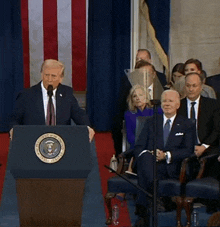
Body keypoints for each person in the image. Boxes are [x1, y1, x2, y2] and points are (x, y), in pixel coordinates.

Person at [133, 90, 195, 226]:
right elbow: (138, 147)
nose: (167, 104)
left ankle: (143, 211)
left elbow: (189, 151)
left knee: (146, 173)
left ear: (178, 104)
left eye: (170, 101)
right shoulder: (151, 122)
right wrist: (150, 153)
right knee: (145, 158)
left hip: (172, 167)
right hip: (151, 165)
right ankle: (156, 198)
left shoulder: (187, 124)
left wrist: (167, 155)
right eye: (165, 101)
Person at [10, 59, 95, 142]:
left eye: (53, 76)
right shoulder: (26, 95)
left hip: (61, 140)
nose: (49, 79)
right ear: (41, 74)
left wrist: (87, 127)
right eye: (46, 75)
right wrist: (13, 129)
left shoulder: (67, 93)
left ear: (61, 78)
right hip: (33, 140)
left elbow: (78, 114)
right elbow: (15, 119)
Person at [111, 49, 167, 157]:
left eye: (148, 74)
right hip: (135, 125)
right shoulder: (128, 82)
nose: (144, 77)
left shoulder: (162, 81)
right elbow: (121, 107)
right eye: (137, 59)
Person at [124, 84, 163, 149]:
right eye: (134, 96)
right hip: (136, 147)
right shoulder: (129, 114)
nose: (137, 98)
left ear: (146, 96)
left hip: (154, 147)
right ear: (132, 100)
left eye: (140, 95)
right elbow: (130, 137)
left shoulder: (157, 111)